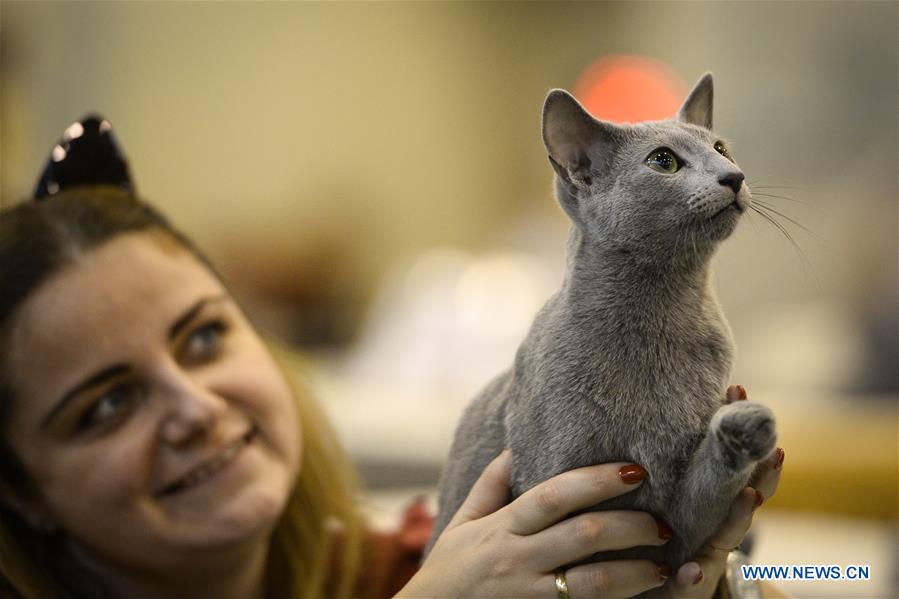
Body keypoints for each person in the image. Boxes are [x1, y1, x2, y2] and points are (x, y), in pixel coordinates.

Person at [0, 116, 783, 598]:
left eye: (203, 336)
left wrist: (737, 579)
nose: (195, 406)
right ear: (19, 487)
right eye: (106, 403)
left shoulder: (415, 557)